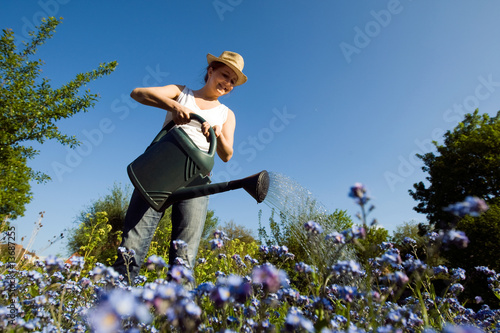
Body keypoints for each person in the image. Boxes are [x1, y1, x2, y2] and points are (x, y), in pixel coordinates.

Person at [112, 51, 247, 284]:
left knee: (184, 255)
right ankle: (113, 305)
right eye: (225, 75)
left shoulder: (227, 114)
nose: (227, 83)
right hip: (160, 170)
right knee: (132, 244)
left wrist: (217, 133)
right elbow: (138, 93)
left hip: (197, 180)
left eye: (233, 81)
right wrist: (173, 106)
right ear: (211, 71)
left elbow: (227, 154)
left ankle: (177, 316)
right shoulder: (181, 91)